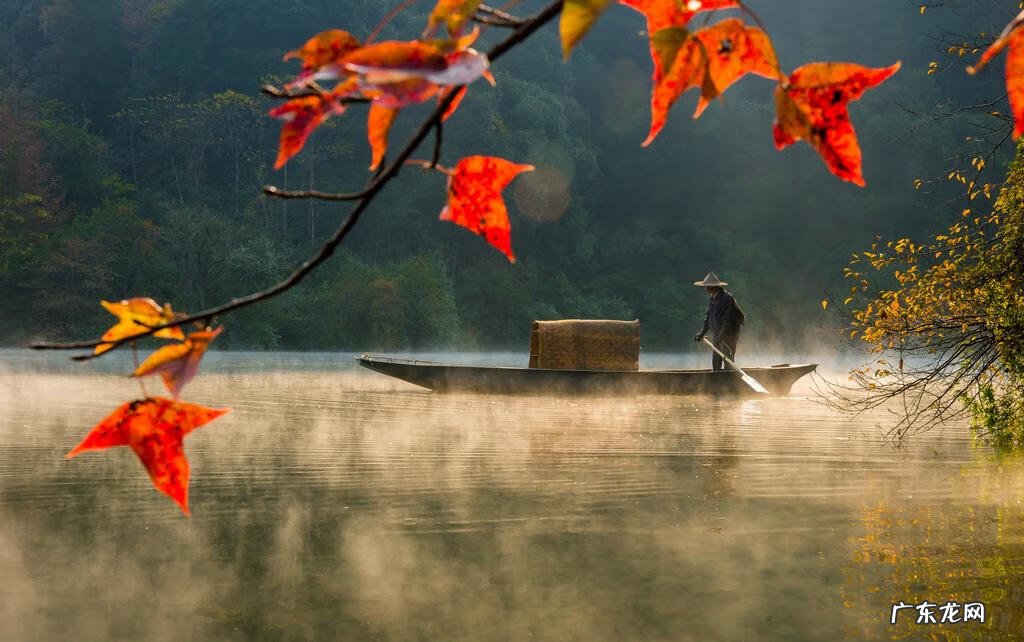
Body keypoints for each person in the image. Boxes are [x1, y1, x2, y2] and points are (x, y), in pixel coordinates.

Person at [693, 272, 745, 371]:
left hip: (729, 335)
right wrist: (702, 333)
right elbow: (708, 318)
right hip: (717, 335)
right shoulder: (711, 299)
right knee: (716, 361)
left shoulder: (727, 298)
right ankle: (716, 379)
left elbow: (727, 319)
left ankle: (728, 380)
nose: (706, 288)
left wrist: (722, 336)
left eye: (707, 286)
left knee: (727, 361)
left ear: (714, 286)